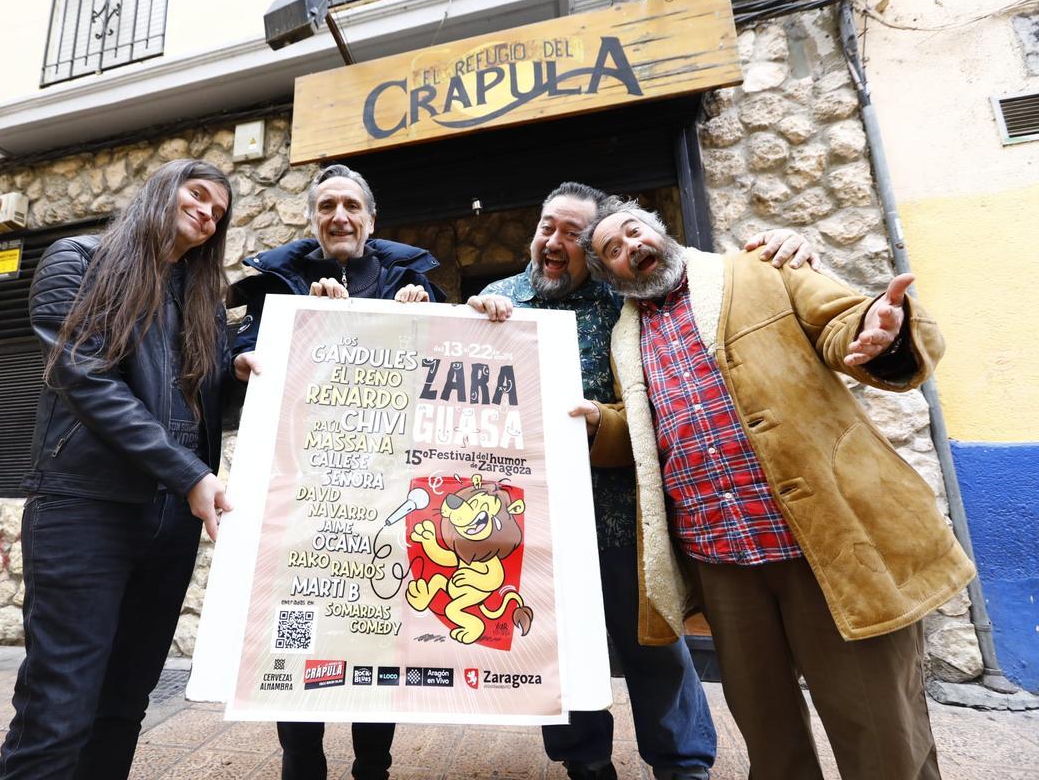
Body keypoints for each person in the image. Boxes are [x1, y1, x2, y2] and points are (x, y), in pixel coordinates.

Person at [576, 196, 975, 780]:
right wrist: (597, 425)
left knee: (880, 730)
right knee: (768, 733)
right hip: (721, 561)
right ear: (611, 274)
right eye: (613, 250)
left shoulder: (761, 268)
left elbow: (842, 324)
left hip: (825, 545)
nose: (630, 247)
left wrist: (879, 330)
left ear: (661, 233)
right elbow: (643, 429)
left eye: (634, 232)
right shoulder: (623, 336)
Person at [467, 183, 819, 780]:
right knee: (560, 649)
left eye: (573, 236)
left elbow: (694, 287)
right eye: (546, 226)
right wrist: (473, 319)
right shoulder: (499, 297)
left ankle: (683, 766)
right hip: (530, 520)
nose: (553, 243)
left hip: (624, 512)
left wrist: (788, 245)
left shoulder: (626, 299)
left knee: (655, 649)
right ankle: (585, 763)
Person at [0, 160, 237, 779]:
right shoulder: (78, 258)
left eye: (218, 212)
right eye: (199, 195)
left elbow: (202, 407)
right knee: (59, 709)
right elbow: (85, 376)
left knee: (124, 707)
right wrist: (188, 474)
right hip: (85, 506)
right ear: (164, 189)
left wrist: (239, 371)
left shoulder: (204, 300)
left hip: (170, 523)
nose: (207, 213)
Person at [231, 163, 444, 780]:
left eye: (351, 205)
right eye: (326, 207)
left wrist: (429, 311)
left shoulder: (411, 280)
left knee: (374, 628)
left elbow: (446, 365)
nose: (339, 216)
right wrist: (253, 349)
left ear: (371, 220)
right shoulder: (281, 280)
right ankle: (301, 763)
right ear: (313, 220)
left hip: (385, 494)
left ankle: (372, 766)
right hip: (302, 495)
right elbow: (236, 355)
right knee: (296, 629)